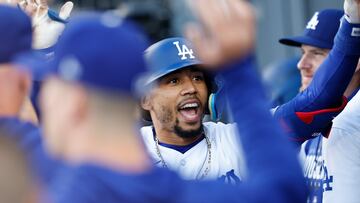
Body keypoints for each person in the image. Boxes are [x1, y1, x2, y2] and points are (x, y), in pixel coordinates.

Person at [1, 0, 307, 202]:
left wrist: (13, 45)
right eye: (173, 80)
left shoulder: (57, 185)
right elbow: (283, 187)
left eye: (46, 87)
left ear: (76, 103)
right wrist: (239, 68)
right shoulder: (181, 194)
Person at [138, 3, 360, 184]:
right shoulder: (124, 154)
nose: (191, 88)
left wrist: (353, 22)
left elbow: (315, 102)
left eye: (197, 77)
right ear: (145, 99)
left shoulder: (238, 139)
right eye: (174, 81)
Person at [279, 7, 360, 203]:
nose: (301, 64)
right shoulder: (305, 117)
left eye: (317, 53)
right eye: (303, 53)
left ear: (354, 60)